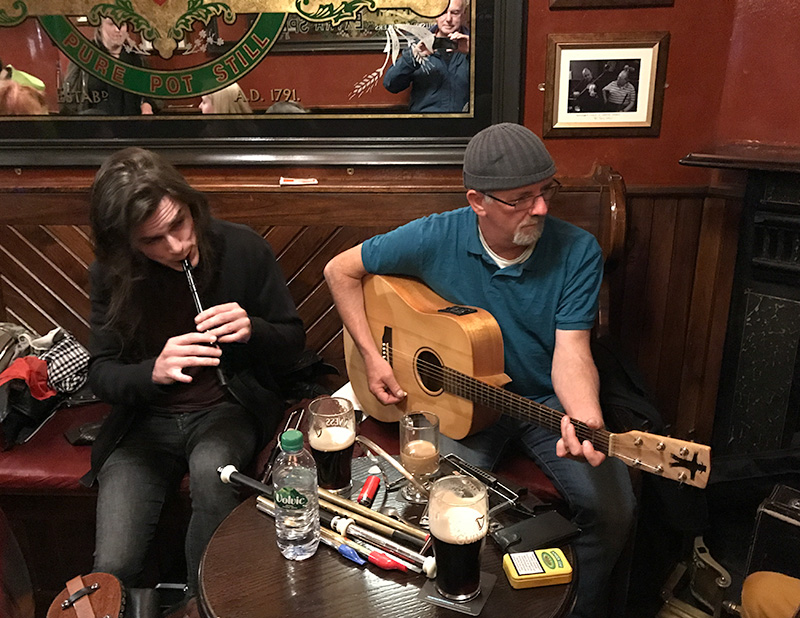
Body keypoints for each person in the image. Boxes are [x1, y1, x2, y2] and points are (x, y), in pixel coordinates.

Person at [323, 122, 636, 618]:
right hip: (460, 404)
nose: (541, 208)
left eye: (545, 191)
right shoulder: (435, 236)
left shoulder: (578, 250)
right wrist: (372, 355)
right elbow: (340, 270)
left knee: (613, 510)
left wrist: (586, 418)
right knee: (431, 501)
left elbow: (572, 351)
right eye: (521, 199)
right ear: (478, 201)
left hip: (542, 401)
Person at [82, 147, 305, 596]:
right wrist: (154, 372)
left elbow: (294, 342)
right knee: (113, 564)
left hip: (225, 411)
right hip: (143, 424)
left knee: (213, 472)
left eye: (178, 225)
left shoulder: (241, 248)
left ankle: (199, 602)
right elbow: (101, 374)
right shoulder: (111, 274)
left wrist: (253, 330)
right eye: (151, 241)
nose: (176, 247)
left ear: (191, 206)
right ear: (125, 242)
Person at [382, 0, 470, 113]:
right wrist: (413, 57)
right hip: (424, 123)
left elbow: (491, 90)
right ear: (435, 15)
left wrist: (473, 53)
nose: (448, 19)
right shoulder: (418, 44)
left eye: (455, 12)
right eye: (443, 12)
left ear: (463, 14)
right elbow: (391, 84)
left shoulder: (473, 45)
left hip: (463, 123)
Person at [59, 18, 156, 115]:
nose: (117, 29)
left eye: (122, 24)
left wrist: (147, 104)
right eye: (112, 24)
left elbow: (152, 95)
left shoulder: (137, 58)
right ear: (100, 27)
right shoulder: (85, 55)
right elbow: (69, 101)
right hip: (95, 127)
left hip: (132, 125)